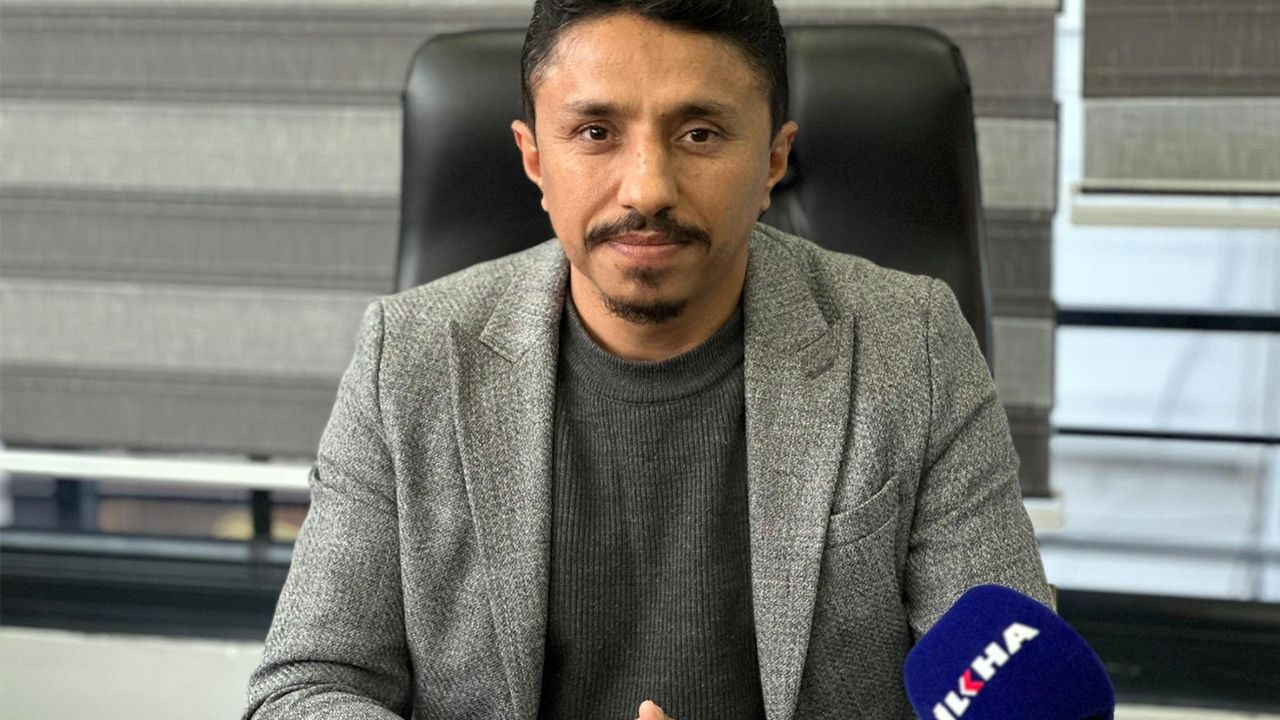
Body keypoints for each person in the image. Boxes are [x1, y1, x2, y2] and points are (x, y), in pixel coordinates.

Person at [244, 1, 1051, 718]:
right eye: (596, 133)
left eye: (699, 134)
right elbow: (303, 689)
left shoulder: (911, 346)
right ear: (534, 158)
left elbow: (1019, 696)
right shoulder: (410, 357)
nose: (647, 189)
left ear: (773, 161)